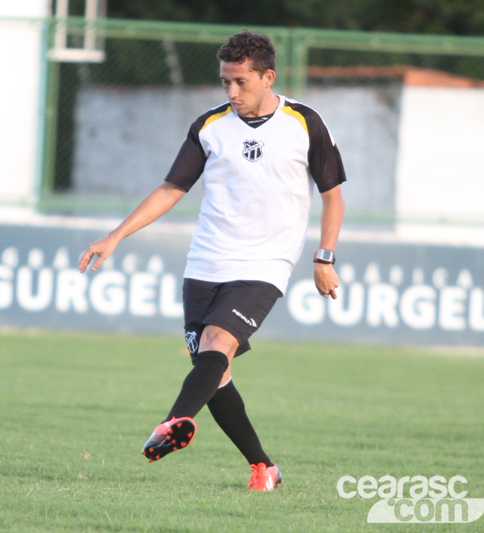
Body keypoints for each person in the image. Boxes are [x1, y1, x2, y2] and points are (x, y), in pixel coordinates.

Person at [79, 30, 345, 491]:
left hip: (266, 263)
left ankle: (174, 422)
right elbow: (171, 189)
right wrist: (116, 235)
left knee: (217, 343)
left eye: (241, 82)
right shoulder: (209, 126)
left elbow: (333, 196)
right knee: (213, 368)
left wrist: (324, 257)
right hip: (205, 262)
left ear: (268, 77)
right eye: (226, 82)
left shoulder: (305, 122)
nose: (232, 92)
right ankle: (264, 467)